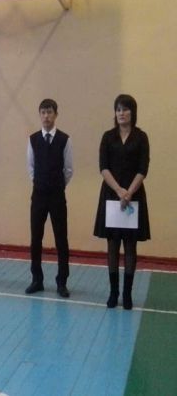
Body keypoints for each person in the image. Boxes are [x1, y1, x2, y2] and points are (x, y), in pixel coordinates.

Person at [93, 94, 150, 310]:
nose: (121, 113)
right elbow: (103, 167)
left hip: (134, 197)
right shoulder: (108, 137)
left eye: (125, 109)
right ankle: (113, 292)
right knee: (113, 244)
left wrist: (129, 193)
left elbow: (143, 168)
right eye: (118, 109)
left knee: (130, 245)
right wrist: (119, 191)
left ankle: (127, 294)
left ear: (132, 112)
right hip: (111, 196)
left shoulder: (141, 137)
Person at [26, 99, 73, 298]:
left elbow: (68, 169)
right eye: (43, 112)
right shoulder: (33, 139)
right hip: (38, 195)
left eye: (50, 112)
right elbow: (30, 167)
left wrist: (57, 185)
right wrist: (40, 183)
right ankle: (37, 279)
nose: (46, 116)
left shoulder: (64, 139)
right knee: (36, 238)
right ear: (40, 115)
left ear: (56, 115)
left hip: (57, 196)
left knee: (61, 238)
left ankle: (62, 282)